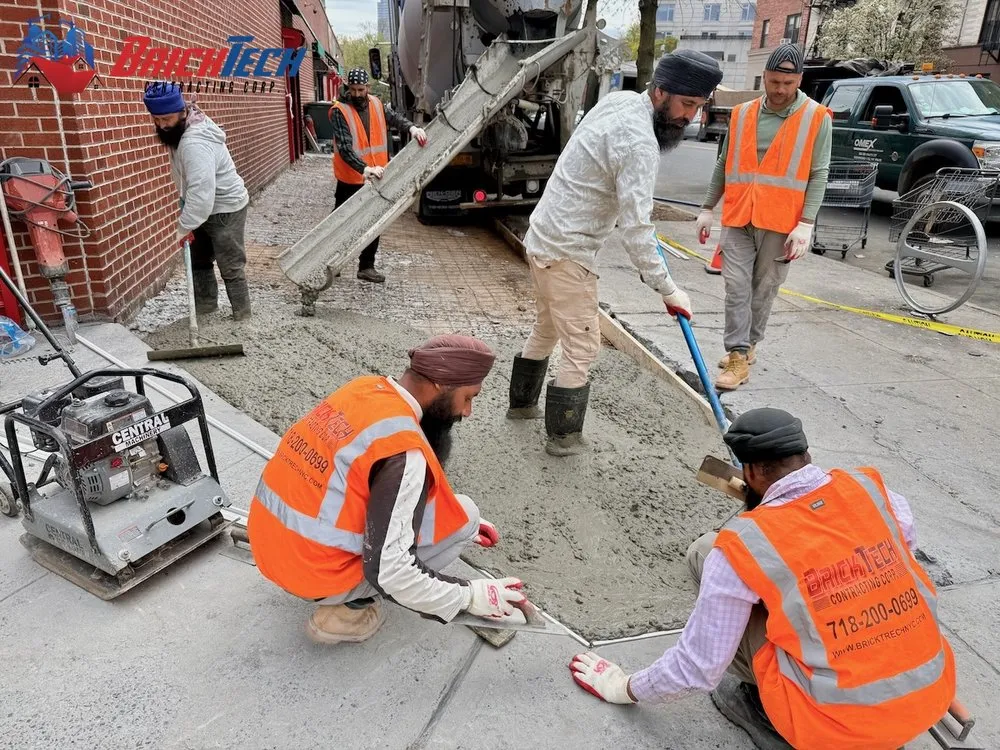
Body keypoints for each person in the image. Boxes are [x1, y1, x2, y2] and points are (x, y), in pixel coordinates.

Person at [569, 407, 956, 750]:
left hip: (834, 730)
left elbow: (698, 667)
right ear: (806, 456)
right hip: (930, 694)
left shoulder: (742, 546)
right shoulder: (871, 488)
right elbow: (902, 547)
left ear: (750, 471)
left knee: (706, 553)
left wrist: (621, 687)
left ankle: (767, 710)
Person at [506, 50, 723, 457]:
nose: (690, 117)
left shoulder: (621, 101)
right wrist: (669, 289)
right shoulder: (639, 142)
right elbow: (637, 228)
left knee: (547, 328)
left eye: (698, 107)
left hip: (542, 238)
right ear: (660, 92)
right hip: (568, 252)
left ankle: (521, 406)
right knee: (582, 347)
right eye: (687, 105)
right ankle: (563, 438)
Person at [247, 334, 528, 644]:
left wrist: (448, 511)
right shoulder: (404, 451)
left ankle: (331, 590)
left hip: (268, 546)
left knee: (459, 514)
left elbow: (346, 486)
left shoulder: (363, 390)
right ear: (442, 385)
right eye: (469, 397)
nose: (467, 411)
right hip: (314, 575)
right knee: (467, 516)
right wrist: (469, 596)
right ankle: (346, 612)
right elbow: (393, 573)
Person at [695, 45, 832, 391]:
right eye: (773, 81)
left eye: (787, 82)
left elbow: (819, 173)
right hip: (740, 215)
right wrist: (707, 208)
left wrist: (806, 223)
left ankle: (749, 343)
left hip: (782, 221)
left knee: (763, 288)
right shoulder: (742, 114)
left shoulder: (817, 117)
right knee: (736, 286)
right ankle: (738, 357)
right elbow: (723, 164)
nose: (780, 89)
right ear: (765, 79)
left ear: (799, 80)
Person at [143, 81, 252, 320]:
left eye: (167, 119)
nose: (162, 125)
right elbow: (193, 186)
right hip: (203, 206)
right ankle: (205, 312)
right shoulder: (180, 130)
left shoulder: (194, 143)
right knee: (198, 259)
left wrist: (184, 226)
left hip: (226, 208)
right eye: (157, 120)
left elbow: (203, 194)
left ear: (182, 112)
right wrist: (187, 207)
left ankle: (243, 319)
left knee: (230, 264)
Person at [330, 68, 429, 284]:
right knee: (341, 222)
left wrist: (412, 128)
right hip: (351, 177)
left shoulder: (375, 104)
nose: (357, 94)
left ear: (367, 88)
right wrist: (364, 168)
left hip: (376, 176)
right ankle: (330, 261)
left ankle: (366, 266)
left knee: (374, 221)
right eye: (353, 90)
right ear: (348, 88)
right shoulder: (340, 111)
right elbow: (346, 148)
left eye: (361, 89)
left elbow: (395, 118)